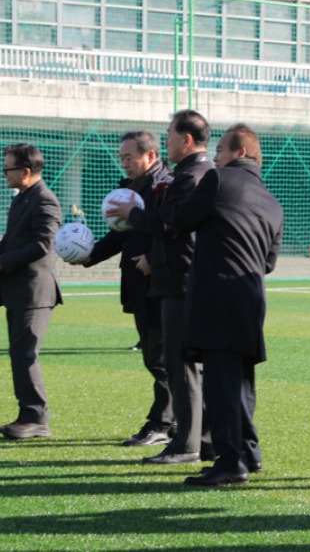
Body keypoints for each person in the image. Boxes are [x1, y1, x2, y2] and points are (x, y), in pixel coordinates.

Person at [168, 124, 284, 486]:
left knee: (220, 384)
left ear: (240, 153)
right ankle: (249, 453)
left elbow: (180, 221)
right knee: (241, 383)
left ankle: (230, 463)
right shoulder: (273, 202)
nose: (214, 157)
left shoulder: (218, 180)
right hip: (251, 297)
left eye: (220, 150)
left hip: (217, 297)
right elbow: (268, 263)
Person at [109, 110, 214, 466]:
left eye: (168, 135)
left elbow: (171, 224)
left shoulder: (190, 176)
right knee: (179, 363)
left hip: (177, 283)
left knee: (180, 364)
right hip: (173, 280)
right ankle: (202, 439)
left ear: (185, 140)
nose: (165, 140)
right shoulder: (188, 174)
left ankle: (185, 442)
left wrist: (132, 215)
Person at [79, 131, 174, 447]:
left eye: (129, 157)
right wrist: (91, 254)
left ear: (150, 156)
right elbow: (120, 235)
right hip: (137, 284)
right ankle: (174, 422)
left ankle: (163, 423)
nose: (124, 163)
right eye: (121, 158)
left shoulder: (167, 186)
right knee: (154, 356)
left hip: (162, 283)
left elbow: (173, 231)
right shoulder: (128, 188)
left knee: (161, 358)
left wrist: (154, 259)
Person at [0, 143, 63, 440]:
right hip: (17, 290)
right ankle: (27, 414)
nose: (4, 173)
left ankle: (38, 417)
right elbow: (11, 240)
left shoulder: (44, 201)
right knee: (18, 354)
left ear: (25, 172)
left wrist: (3, 261)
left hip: (34, 293)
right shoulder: (22, 198)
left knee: (26, 354)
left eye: (7, 169)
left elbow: (43, 245)